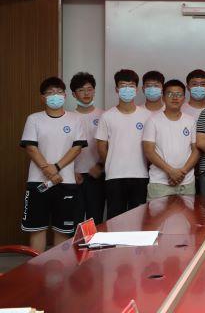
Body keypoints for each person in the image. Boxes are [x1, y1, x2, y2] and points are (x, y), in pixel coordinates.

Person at [20, 77, 87, 252]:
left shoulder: (75, 119)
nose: (55, 96)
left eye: (58, 92)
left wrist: (55, 168)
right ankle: (36, 266)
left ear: (65, 95)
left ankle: (59, 267)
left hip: (66, 183)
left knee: (63, 230)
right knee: (37, 228)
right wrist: (48, 170)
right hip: (38, 182)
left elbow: (77, 148)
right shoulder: (34, 119)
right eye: (50, 93)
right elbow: (31, 147)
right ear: (43, 97)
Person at [96, 69, 152, 219]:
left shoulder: (147, 116)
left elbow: (151, 147)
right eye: (123, 86)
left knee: (139, 219)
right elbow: (101, 147)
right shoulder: (107, 116)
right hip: (114, 176)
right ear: (116, 89)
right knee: (115, 219)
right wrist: (112, 163)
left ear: (137, 89)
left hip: (140, 175)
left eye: (131, 86)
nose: (127, 89)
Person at [143, 79, 199, 199]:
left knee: (188, 213)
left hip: (186, 182)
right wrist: (170, 171)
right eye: (170, 94)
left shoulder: (191, 121)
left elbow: (196, 150)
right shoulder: (153, 120)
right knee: (156, 212)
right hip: (160, 183)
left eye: (179, 94)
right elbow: (148, 151)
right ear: (163, 97)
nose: (175, 97)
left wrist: (181, 172)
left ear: (184, 98)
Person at [70, 72, 105, 225]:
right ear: (73, 94)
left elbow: (110, 146)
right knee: (74, 220)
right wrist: (71, 170)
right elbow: (63, 148)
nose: (86, 93)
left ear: (94, 91)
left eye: (89, 89)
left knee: (95, 220)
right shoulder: (68, 117)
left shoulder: (104, 115)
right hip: (74, 175)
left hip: (97, 174)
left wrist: (100, 166)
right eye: (81, 90)